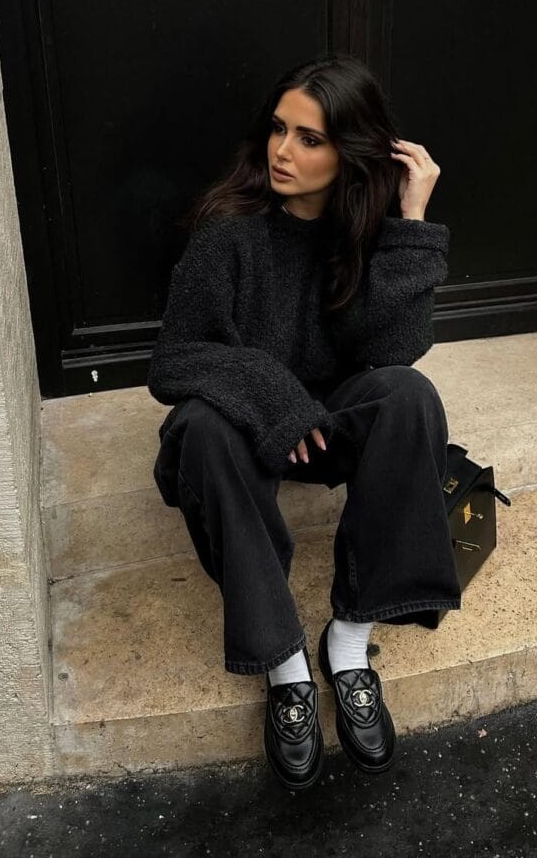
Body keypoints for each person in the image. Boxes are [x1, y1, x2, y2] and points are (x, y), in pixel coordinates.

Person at [147, 52, 462, 792]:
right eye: (278, 131)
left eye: (310, 139)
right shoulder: (230, 231)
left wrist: (411, 222)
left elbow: (390, 352)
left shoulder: (367, 229)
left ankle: (347, 642)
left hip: (327, 430)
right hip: (244, 439)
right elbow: (173, 360)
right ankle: (285, 665)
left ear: (352, 152)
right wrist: (270, 391)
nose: (283, 152)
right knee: (200, 424)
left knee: (408, 396)